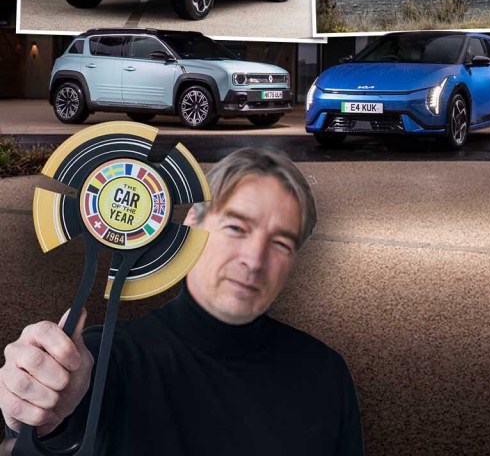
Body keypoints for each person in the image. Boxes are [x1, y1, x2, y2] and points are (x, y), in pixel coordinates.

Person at [0, 148, 363, 455]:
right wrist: (43, 422)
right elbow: (51, 431)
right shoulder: (103, 360)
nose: (254, 260)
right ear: (192, 224)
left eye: (281, 243)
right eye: (236, 228)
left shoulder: (326, 375)